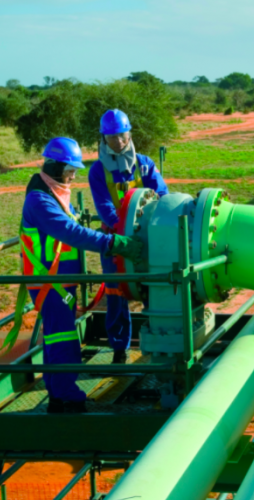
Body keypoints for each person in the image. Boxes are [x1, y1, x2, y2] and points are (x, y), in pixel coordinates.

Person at [21, 137, 144, 413]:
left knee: (57, 338)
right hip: (50, 284)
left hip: (60, 283)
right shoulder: (40, 201)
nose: (73, 175)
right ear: (55, 167)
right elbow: (72, 233)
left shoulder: (54, 194)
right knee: (63, 340)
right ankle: (68, 397)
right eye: (69, 170)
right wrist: (113, 243)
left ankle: (57, 395)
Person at [88, 109, 169, 365]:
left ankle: (159, 342)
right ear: (103, 138)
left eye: (122, 136)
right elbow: (104, 208)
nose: (119, 142)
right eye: (112, 138)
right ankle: (119, 349)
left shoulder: (144, 164)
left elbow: (162, 195)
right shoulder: (98, 171)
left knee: (154, 287)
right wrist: (124, 234)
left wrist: (150, 230)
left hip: (149, 239)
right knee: (116, 293)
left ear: (129, 133)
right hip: (115, 241)